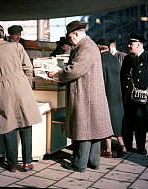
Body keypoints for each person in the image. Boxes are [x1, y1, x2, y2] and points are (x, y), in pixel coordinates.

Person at [48, 21, 113, 173]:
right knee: (95, 130)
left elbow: (75, 70)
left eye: (70, 37)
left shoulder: (86, 47)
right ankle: (93, 162)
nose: (70, 40)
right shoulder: (88, 45)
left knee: (83, 129)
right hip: (90, 93)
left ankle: (79, 164)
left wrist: (59, 73)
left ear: (76, 33)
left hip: (85, 95)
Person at [0, 24, 42, 172]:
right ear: (3, 34)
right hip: (22, 86)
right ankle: (27, 162)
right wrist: (25, 83)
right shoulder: (17, 46)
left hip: (3, 88)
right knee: (26, 123)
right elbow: (28, 67)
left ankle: (12, 164)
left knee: (8, 125)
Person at [120, 33, 148, 155]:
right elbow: (122, 76)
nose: (128, 45)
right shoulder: (128, 58)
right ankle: (128, 145)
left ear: (139, 44)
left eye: (131, 43)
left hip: (142, 98)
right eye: (129, 43)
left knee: (140, 123)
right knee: (128, 122)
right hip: (128, 97)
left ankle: (141, 147)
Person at [96, 39, 126, 157]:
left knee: (106, 120)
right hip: (117, 95)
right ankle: (122, 146)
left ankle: (108, 149)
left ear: (99, 47)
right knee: (117, 121)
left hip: (106, 94)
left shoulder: (100, 60)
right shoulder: (115, 59)